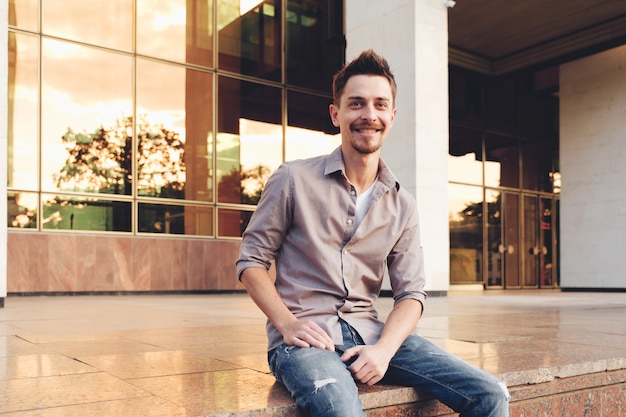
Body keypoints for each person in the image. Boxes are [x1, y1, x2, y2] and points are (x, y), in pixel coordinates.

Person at [236, 49, 510, 417]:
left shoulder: (403, 204)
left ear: (392, 116)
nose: (369, 115)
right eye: (357, 104)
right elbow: (251, 261)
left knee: (490, 394)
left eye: (380, 105)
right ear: (336, 114)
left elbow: (411, 294)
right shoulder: (292, 179)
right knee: (342, 410)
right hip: (304, 340)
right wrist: (287, 324)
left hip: (373, 334)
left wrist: (383, 351)